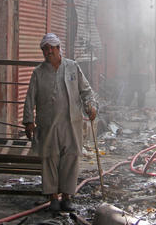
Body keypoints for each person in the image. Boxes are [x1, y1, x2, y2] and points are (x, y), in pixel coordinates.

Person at [22, 33, 97, 212]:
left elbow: (86, 91)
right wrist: (28, 121)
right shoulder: (38, 72)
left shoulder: (72, 67)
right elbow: (30, 97)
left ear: (58, 48)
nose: (48, 52)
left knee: (70, 157)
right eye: (45, 49)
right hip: (48, 124)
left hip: (72, 122)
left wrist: (90, 106)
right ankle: (52, 197)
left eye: (51, 48)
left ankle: (66, 197)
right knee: (49, 158)